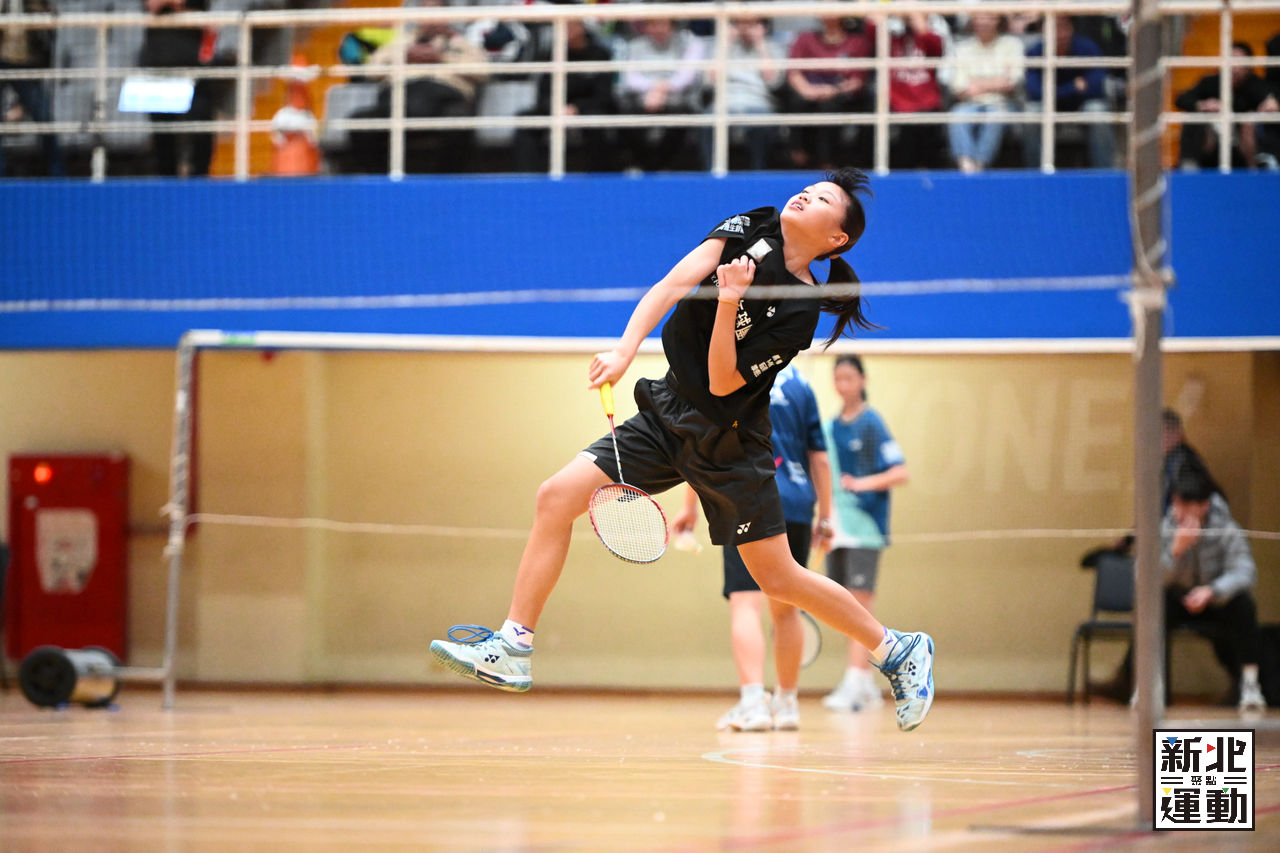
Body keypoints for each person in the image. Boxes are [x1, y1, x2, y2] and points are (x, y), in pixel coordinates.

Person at [430, 168, 936, 733]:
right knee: (555, 497)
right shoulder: (754, 225)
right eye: (808, 188)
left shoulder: (800, 312)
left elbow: (723, 382)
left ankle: (897, 649)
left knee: (779, 579)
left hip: (730, 443)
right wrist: (625, 350)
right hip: (668, 411)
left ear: (836, 238)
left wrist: (729, 301)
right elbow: (672, 284)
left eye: (821, 199)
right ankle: (514, 645)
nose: (803, 195)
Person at [669, 363, 834, 731]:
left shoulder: (731, 374)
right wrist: (826, 517)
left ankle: (753, 703)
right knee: (787, 608)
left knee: (745, 602)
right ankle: (787, 705)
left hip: (744, 496)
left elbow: (705, 446)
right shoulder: (801, 385)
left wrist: (689, 507)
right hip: (796, 504)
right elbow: (820, 458)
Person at [820, 355, 910, 713]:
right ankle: (865, 683)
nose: (842, 384)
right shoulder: (829, 428)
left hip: (866, 529)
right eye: (837, 378)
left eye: (849, 377)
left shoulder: (872, 423)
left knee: (860, 607)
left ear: (862, 380)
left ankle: (857, 682)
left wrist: (861, 483)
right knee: (844, 610)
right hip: (837, 530)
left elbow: (900, 473)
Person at [1160, 461, 1267, 714]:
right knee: (1153, 607)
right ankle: (1150, 684)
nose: (1178, 512)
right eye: (1175, 503)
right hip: (1180, 599)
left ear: (1204, 505)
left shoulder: (1226, 528)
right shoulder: (1165, 528)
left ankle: (1250, 686)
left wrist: (1213, 591)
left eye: (1185, 505)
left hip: (1216, 600)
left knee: (1245, 606)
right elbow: (1143, 578)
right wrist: (1175, 551)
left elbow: (1246, 571)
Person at [346, 0, 488, 174]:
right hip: (398, 99)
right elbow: (371, 70)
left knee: (459, 118)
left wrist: (442, 58)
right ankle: (380, 180)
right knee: (361, 121)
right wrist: (403, 55)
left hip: (442, 99)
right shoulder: (401, 41)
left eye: (436, 14)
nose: (430, 19)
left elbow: (482, 72)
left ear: (447, 16)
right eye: (425, 13)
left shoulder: (461, 43)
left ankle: (445, 180)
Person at [513, 19, 614, 173]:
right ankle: (527, 176)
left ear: (582, 27)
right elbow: (544, 92)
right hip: (556, 107)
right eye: (563, 27)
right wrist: (557, 108)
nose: (566, 30)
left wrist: (577, 108)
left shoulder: (600, 54)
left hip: (587, 107)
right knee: (526, 120)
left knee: (596, 122)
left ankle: (597, 176)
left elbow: (604, 95)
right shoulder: (554, 53)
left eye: (571, 25)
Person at [1022, 15, 1116, 169]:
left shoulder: (1088, 47)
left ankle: (1104, 172)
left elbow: (1096, 87)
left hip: (1082, 104)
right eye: (1054, 27)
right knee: (1031, 113)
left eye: (1064, 27)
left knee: (1097, 110)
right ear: (1042, 29)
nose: (1060, 33)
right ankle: (1035, 173)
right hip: (1048, 105)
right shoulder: (1034, 52)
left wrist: (1053, 91)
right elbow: (1035, 92)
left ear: (1072, 28)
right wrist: (1073, 87)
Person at [614, 18, 706, 172]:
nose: (658, 29)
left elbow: (687, 76)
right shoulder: (635, 46)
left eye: (662, 24)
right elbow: (630, 79)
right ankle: (649, 165)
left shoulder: (687, 43)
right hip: (643, 98)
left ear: (672, 26)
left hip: (678, 98)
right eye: (653, 24)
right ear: (646, 27)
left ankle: (661, 166)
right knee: (622, 116)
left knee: (682, 117)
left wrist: (663, 89)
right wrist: (652, 89)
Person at [783, 16, 874, 170]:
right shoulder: (805, 38)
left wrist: (834, 90)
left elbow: (858, 80)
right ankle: (798, 155)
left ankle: (827, 161)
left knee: (829, 106)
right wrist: (808, 90)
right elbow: (794, 73)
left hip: (840, 93)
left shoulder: (857, 42)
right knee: (796, 101)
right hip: (808, 90)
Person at [1174, 42, 1280, 171]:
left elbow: (1271, 98)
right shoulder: (1210, 82)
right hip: (1213, 142)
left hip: (1243, 146)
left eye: (1239, 62)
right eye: (1230, 60)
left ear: (1248, 66)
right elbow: (1181, 99)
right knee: (1194, 116)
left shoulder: (1256, 85)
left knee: (1251, 123)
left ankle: (1256, 171)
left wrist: (1272, 103)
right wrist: (1203, 105)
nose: (1234, 67)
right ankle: (1189, 166)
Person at [139, 0, 215, 177]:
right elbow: (152, 5)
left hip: (194, 70)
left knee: (202, 128)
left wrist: (175, 4)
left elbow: (202, 7)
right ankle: (166, 178)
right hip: (159, 68)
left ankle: (200, 178)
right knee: (163, 133)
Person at [700, 15, 785, 171]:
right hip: (725, 101)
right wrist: (725, 45)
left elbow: (774, 81)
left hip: (758, 101)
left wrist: (760, 45)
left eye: (750, 24)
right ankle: (712, 172)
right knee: (707, 121)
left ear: (762, 26)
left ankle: (758, 171)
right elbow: (709, 80)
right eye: (739, 23)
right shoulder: (721, 47)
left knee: (762, 123)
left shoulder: (772, 47)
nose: (744, 28)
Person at [946, 12, 1025, 173]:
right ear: (973, 21)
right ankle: (967, 167)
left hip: (1003, 102)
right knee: (957, 115)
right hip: (970, 102)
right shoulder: (962, 48)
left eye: (989, 17)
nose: (984, 22)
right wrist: (996, 82)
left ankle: (980, 166)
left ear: (998, 20)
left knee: (996, 115)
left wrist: (976, 83)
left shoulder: (1012, 44)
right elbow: (958, 86)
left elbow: (1013, 81)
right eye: (979, 18)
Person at [0, 0, 65, 177]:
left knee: (43, 117)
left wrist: (20, 105)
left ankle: (57, 175)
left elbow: (47, 26)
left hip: (26, 62)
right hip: (2, 59)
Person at [887, 10, 947, 170]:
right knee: (903, 145)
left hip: (927, 102)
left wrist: (915, 12)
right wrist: (892, 11)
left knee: (929, 141)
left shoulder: (933, 39)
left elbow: (932, 43)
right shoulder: (891, 40)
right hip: (899, 103)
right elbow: (872, 26)